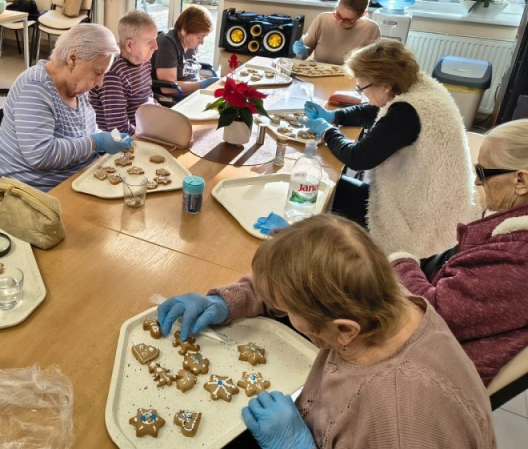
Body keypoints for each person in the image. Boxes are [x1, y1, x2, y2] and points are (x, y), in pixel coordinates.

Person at [158, 215, 496, 449]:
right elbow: (296, 288)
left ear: (343, 331)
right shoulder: (379, 295)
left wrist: (297, 445)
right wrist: (227, 300)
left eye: (288, 311)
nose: (282, 310)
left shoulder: (400, 421)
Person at [301, 39, 478, 258]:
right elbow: (376, 111)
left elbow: (358, 157)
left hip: (422, 219)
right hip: (434, 200)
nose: (362, 94)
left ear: (385, 85)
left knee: (327, 192)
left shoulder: (407, 112)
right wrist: (336, 116)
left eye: (362, 87)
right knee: (335, 187)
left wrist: (327, 131)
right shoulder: (415, 87)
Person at [389, 119, 528, 386]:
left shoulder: (516, 259)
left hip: (429, 377)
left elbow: (431, 313)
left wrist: (400, 262)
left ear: (520, 180)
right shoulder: (507, 234)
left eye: (483, 172)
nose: (477, 181)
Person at [0, 23, 133, 191]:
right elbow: (40, 155)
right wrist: (96, 142)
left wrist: (109, 138)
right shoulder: (35, 87)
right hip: (31, 192)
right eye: (97, 72)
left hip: (75, 180)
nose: (100, 83)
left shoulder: (75, 87)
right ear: (73, 58)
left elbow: (83, 132)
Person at [89, 10, 158, 135]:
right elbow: (119, 128)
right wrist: (153, 136)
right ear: (129, 45)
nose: (156, 46)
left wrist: (165, 118)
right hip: (127, 138)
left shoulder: (144, 61)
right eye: (149, 42)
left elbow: (149, 99)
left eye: (155, 39)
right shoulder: (113, 73)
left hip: (148, 127)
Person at [293, 0, 381, 65]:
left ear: (362, 14)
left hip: (350, 77)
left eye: (347, 20)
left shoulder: (371, 29)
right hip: (317, 73)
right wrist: (300, 52)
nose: (339, 23)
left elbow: (373, 68)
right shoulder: (323, 19)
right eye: (338, 15)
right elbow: (302, 57)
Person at [151, 5, 219, 98]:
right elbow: (168, 88)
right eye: (199, 37)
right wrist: (202, 85)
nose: (202, 42)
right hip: (176, 100)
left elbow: (191, 74)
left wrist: (207, 83)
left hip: (192, 94)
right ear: (184, 31)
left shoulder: (189, 43)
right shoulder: (167, 43)